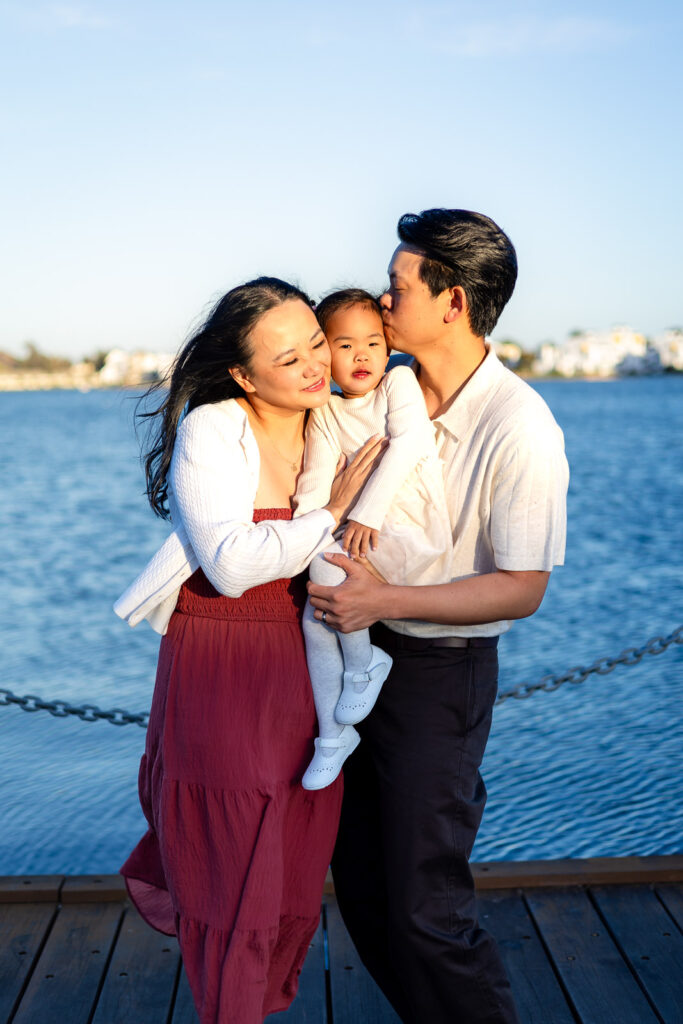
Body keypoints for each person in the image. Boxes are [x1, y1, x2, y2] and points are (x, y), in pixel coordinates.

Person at [307, 210, 570, 1024]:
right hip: (351, 655)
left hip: (437, 674)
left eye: (397, 286)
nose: (382, 301)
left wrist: (383, 600)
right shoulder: (377, 385)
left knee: (426, 904)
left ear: (452, 301)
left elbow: (521, 587)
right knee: (361, 884)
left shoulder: (519, 425)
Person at [114, 277, 384, 1024]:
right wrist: (331, 511)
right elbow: (231, 566)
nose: (314, 365)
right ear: (242, 374)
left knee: (291, 865)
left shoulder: (334, 417)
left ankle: (258, 1006)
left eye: (316, 344)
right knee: (233, 867)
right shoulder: (213, 428)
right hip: (222, 658)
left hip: (308, 661)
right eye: (288, 358)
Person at [294, 288, 453, 790]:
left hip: (408, 529)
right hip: (357, 537)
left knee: (326, 575)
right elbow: (315, 486)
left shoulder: (397, 383)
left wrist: (364, 512)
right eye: (345, 345)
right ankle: (332, 735)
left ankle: (364, 664)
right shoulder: (325, 411)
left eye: (372, 343)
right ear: (325, 353)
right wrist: (308, 529)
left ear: (387, 350)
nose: (361, 355)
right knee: (316, 609)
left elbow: (410, 443)